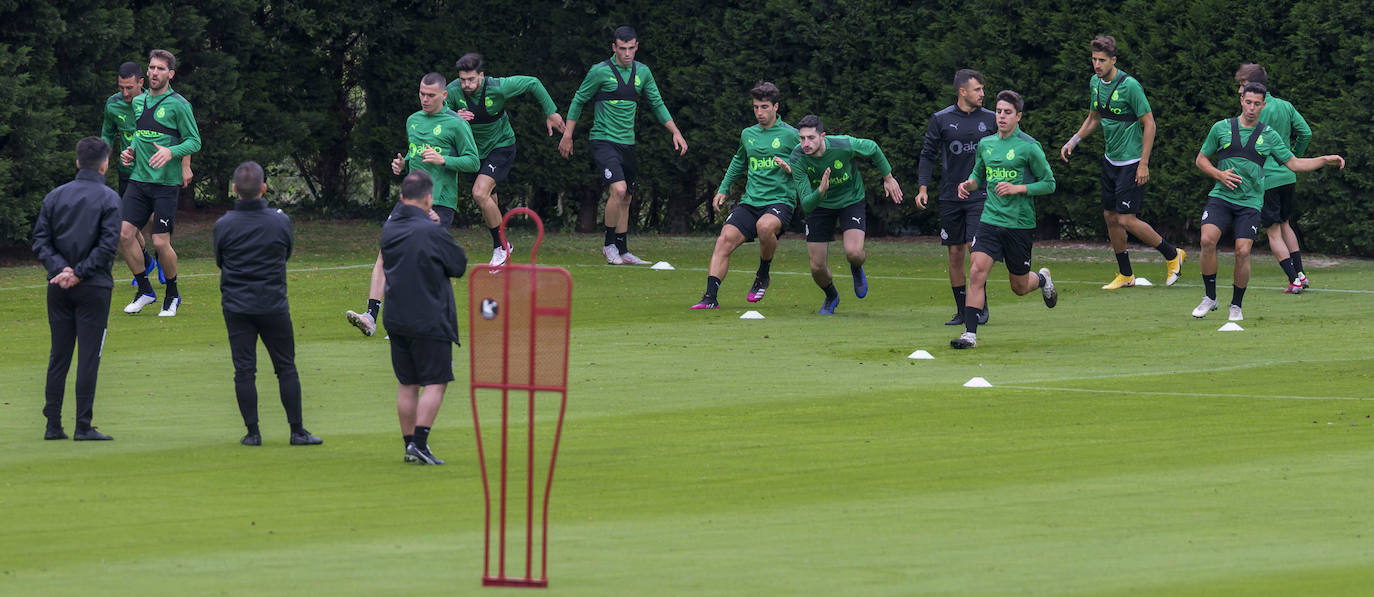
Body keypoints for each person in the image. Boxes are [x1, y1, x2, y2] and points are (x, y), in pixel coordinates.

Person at [1190, 83, 1343, 321]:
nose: (1251, 108)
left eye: (1257, 104)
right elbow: (1201, 159)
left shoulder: (1268, 135)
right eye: (1248, 102)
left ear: (1263, 105)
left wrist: (1323, 159)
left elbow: (1293, 164)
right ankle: (1210, 297)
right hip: (1221, 196)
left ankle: (1236, 306)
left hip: (1250, 201)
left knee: (1242, 251)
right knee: (1207, 240)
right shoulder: (1221, 128)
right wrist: (1219, 175)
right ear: (1241, 100)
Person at [346, 72, 477, 337]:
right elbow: (415, 152)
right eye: (421, 94)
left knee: (424, 262)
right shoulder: (413, 120)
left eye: (430, 95)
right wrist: (402, 163)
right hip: (408, 201)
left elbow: (473, 161)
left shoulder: (456, 124)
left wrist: (445, 161)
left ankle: (424, 320)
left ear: (444, 95)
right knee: (386, 253)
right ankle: (370, 316)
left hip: (439, 202)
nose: (425, 99)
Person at [1060, 35, 1184, 290]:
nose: (1097, 64)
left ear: (1113, 60)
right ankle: (1125, 274)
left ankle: (1173, 255)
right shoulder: (1095, 82)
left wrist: (1144, 164)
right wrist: (1073, 140)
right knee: (1110, 216)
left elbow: (1149, 123)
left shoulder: (1130, 86)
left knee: (1127, 219)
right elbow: (1094, 117)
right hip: (1111, 161)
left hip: (1132, 162)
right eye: (1094, 59)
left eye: (1102, 60)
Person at [213, 161, 321, 447]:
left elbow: (220, 260)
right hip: (273, 303)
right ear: (263, 188)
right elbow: (286, 252)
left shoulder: (224, 224)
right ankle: (297, 431)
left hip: (237, 305)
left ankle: (253, 433)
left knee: (244, 369)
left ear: (235, 189)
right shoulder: (279, 220)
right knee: (285, 366)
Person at [559, 25, 688, 265]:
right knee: (617, 190)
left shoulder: (643, 73)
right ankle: (609, 245)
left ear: (636, 47)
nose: (627, 54)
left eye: (631, 48)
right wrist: (568, 134)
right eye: (622, 49)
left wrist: (675, 132)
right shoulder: (599, 72)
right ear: (614, 48)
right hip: (603, 140)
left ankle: (623, 249)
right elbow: (579, 99)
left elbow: (657, 104)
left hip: (627, 144)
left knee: (627, 196)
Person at [949, 91, 1059, 350]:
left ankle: (1042, 279)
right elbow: (978, 175)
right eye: (998, 111)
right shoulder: (986, 145)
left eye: (1007, 112)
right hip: (989, 219)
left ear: (1018, 116)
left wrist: (1018, 188)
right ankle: (970, 335)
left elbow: (1049, 184)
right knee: (976, 271)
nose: (1001, 116)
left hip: (1019, 224)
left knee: (1019, 287)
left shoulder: (1029, 147)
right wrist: (968, 184)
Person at [32, 137, 122, 441]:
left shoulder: (55, 196)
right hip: (94, 287)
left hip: (58, 287)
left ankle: (53, 424)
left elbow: (41, 240)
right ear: (105, 163)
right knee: (88, 356)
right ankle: (83, 425)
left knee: (59, 355)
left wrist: (61, 270)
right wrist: (79, 273)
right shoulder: (110, 199)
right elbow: (107, 245)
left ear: (77, 162)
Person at [774, 115, 904, 314]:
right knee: (817, 267)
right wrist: (820, 191)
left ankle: (856, 266)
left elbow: (873, 148)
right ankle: (831, 295)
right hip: (819, 205)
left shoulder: (843, 145)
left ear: (823, 136)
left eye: (811, 138)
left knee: (854, 253)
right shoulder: (797, 157)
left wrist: (888, 177)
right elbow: (807, 204)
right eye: (802, 138)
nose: (805, 144)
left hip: (850, 200)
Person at [381, 170, 468, 465]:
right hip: (429, 316)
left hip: (396, 317)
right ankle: (419, 443)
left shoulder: (389, 230)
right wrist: (438, 228)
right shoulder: (432, 231)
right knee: (436, 380)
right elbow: (458, 264)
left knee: (407, 383)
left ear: (403, 198)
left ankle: (409, 445)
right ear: (429, 198)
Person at [446, 52, 565, 266]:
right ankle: (504, 246)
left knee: (479, 193)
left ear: (481, 75)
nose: (466, 84)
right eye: (463, 79)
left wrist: (551, 112)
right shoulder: (453, 90)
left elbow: (533, 82)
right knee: (488, 199)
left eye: (471, 79)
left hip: (501, 146)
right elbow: (437, 109)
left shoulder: (498, 87)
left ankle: (500, 246)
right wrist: (453, 115)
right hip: (474, 151)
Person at [691, 81, 799, 309]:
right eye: (756, 107)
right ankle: (710, 298)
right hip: (751, 202)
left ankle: (763, 274)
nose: (759, 112)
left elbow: (809, 161)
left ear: (776, 107)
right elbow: (738, 161)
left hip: (780, 201)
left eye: (764, 107)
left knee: (764, 226)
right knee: (724, 240)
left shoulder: (791, 135)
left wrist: (791, 168)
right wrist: (722, 189)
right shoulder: (748, 134)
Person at [118, 49, 201, 317]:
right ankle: (145, 291)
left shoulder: (179, 105)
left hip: (165, 184)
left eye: (160, 69)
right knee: (123, 234)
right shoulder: (139, 102)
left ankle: (172, 295)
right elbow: (141, 135)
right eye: (152, 68)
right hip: (139, 180)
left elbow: (194, 141)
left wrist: (171, 152)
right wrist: (129, 151)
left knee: (160, 242)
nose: (154, 72)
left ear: (171, 74)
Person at [102, 60, 193, 289]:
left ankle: (164, 262)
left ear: (140, 83)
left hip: (160, 175)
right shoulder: (115, 105)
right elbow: (111, 134)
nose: (125, 93)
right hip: (131, 173)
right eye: (121, 87)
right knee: (126, 229)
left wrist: (184, 165)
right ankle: (146, 264)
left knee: (155, 227)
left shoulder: (164, 103)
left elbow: (184, 137)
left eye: (129, 88)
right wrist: (114, 156)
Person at [917, 69, 997, 326]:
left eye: (983, 89)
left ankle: (979, 305)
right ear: (962, 92)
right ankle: (962, 310)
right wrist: (923, 188)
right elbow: (928, 155)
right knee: (954, 252)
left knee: (977, 250)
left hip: (981, 195)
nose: (983, 94)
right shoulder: (941, 119)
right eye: (978, 90)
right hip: (950, 196)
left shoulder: (992, 119)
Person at [1234, 64, 1314, 293]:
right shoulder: (1285, 106)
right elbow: (1305, 132)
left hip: (1265, 178)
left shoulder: (1252, 111)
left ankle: (1294, 281)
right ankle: (1301, 274)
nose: (1240, 91)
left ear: (1251, 85)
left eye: (1242, 85)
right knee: (1286, 224)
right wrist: (1292, 157)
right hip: (1288, 176)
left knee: (1272, 231)